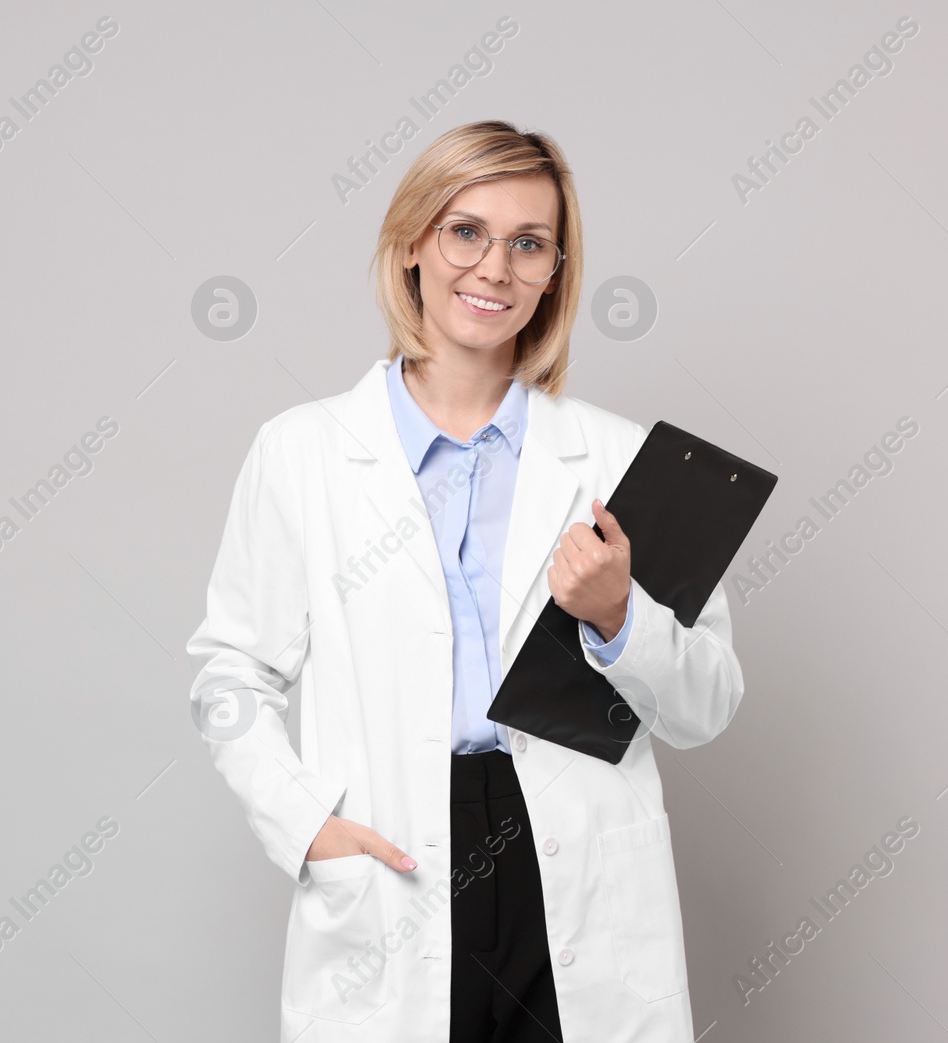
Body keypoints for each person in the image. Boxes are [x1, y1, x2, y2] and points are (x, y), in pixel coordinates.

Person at [187, 120, 745, 1043]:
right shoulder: (306, 452)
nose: (494, 268)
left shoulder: (616, 459)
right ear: (413, 244)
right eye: (465, 231)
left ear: (555, 273)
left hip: (569, 853)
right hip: (398, 852)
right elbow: (229, 677)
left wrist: (619, 617)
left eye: (529, 244)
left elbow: (707, 703)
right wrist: (305, 824)